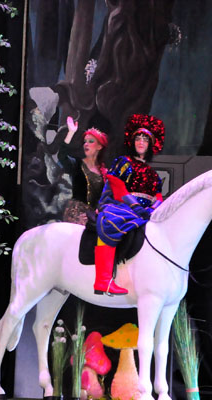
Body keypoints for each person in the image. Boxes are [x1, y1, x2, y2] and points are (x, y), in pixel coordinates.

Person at [94, 113, 165, 295]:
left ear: (150, 145)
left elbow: (158, 195)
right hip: (122, 206)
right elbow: (117, 187)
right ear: (132, 142)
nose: (141, 142)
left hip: (146, 212)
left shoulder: (152, 173)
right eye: (138, 138)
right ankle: (103, 281)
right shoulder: (124, 162)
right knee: (111, 223)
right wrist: (136, 207)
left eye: (145, 140)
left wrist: (153, 209)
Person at [61, 116, 109, 225]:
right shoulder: (77, 164)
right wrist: (71, 132)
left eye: (91, 141)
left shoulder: (104, 172)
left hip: (93, 216)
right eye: (85, 141)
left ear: (99, 146)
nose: (86, 144)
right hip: (76, 214)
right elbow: (62, 155)